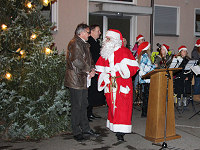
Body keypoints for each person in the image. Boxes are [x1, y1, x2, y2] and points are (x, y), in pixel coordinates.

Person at [95, 29, 139, 142]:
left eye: (108, 38)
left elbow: (134, 68)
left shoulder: (125, 51)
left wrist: (121, 68)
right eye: (106, 38)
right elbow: (100, 69)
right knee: (112, 105)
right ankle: (114, 125)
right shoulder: (105, 52)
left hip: (122, 83)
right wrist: (104, 76)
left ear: (115, 40)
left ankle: (121, 131)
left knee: (123, 107)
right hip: (110, 84)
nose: (106, 40)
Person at [64, 23, 99, 142]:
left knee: (84, 104)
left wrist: (93, 68)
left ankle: (85, 128)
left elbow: (90, 59)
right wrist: (89, 70)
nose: (89, 34)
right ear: (81, 33)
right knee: (77, 106)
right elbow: (76, 60)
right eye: (88, 32)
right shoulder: (75, 43)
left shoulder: (83, 43)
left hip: (83, 79)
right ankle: (76, 131)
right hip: (76, 80)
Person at [87, 24, 105, 122]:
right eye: (98, 31)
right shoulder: (89, 43)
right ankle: (87, 113)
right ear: (92, 31)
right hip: (92, 70)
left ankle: (90, 112)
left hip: (96, 70)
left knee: (93, 93)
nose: (100, 33)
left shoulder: (95, 42)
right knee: (90, 93)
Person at [137, 41, 156, 117]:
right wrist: (154, 66)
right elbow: (145, 68)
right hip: (146, 79)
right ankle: (145, 112)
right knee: (146, 96)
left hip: (145, 79)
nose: (150, 48)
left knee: (146, 95)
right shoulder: (145, 56)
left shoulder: (143, 55)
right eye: (149, 46)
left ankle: (145, 112)